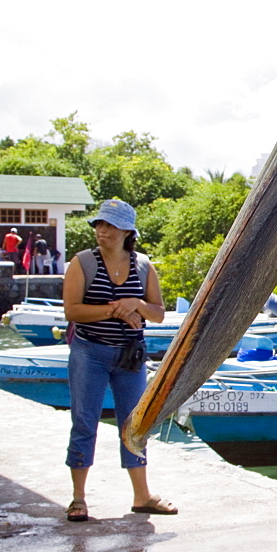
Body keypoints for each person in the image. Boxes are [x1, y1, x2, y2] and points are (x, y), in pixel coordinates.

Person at [62, 199, 177, 522]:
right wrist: (116, 309)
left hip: (130, 356)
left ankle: (142, 496)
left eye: (110, 226)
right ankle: (78, 498)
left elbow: (157, 313)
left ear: (127, 231)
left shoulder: (143, 266)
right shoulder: (82, 263)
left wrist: (135, 303)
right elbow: (72, 310)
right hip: (90, 352)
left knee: (134, 424)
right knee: (85, 421)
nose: (102, 230)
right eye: (100, 224)